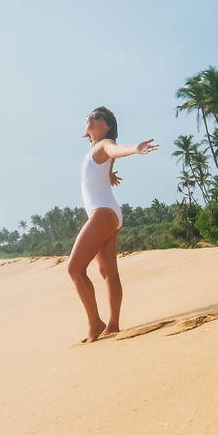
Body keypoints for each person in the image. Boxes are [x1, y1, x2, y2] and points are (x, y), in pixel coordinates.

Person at [70, 106, 157, 343]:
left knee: (74, 269)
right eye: (89, 115)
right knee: (108, 271)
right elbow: (103, 164)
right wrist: (109, 175)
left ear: (107, 125)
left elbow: (115, 150)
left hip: (102, 213)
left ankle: (95, 324)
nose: (90, 118)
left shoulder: (104, 144)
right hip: (109, 212)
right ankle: (113, 324)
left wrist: (135, 149)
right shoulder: (94, 151)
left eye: (97, 116)